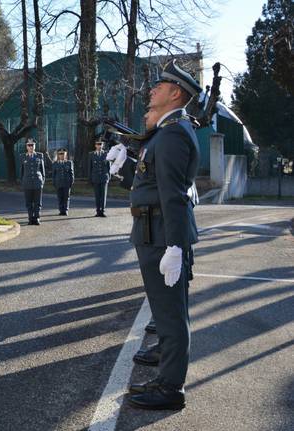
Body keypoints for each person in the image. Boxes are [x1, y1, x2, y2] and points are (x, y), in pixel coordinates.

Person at [127, 60, 202, 410]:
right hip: (154, 231)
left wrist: (174, 245)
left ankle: (171, 388)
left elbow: (172, 194)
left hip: (162, 235)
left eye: (160, 86)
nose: (152, 90)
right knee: (165, 309)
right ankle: (167, 372)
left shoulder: (173, 133)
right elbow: (155, 178)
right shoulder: (169, 130)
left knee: (171, 313)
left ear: (175, 93)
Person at [20, 138, 45, 225]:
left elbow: (42, 171)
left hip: (37, 182)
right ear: (26, 146)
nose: (31, 147)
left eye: (32, 145)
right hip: (27, 182)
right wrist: (22, 182)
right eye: (29, 145)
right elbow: (21, 171)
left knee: (38, 202)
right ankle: (31, 218)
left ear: (35, 146)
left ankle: (37, 218)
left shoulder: (40, 155)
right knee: (29, 202)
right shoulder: (23, 156)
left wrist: (42, 182)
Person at [88, 140, 110, 217]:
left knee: (103, 195)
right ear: (95, 145)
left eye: (101, 144)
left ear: (102, 145)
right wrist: (90, 178)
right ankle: (98, 211)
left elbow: (108, 167)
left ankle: (102, 211)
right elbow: (89, 167)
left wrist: (108, 177)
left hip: (104, 177)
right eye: (98, 144)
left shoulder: (106, 154)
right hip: (95, 178)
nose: (99, 146)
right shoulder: (91, 155)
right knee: (97, 195)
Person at [52, 148, 74, 215]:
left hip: (66, 183)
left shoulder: (69, 162)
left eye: (63, 154)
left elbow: (71, 173)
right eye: (60, 154)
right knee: (60, 197)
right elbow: (54, 174)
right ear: (58, 155)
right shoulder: (55, 163)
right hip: (58, 183)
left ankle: (66, 210)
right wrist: (54, 183)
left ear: (65, 154)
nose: (61, 155)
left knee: (66, 197)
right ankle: (61, 210)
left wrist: (71, 182)